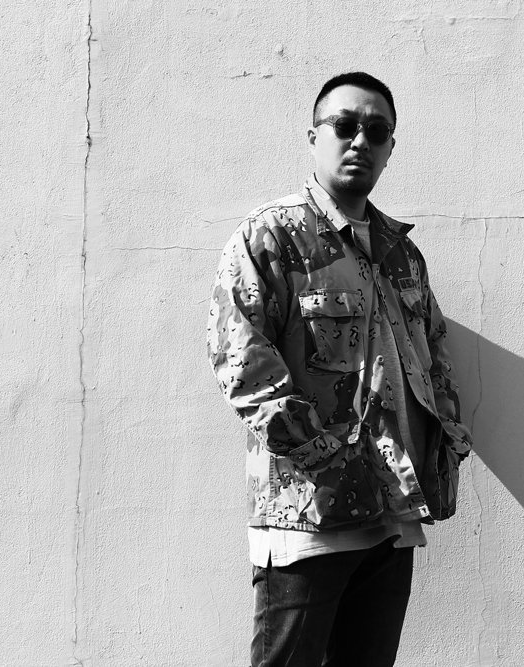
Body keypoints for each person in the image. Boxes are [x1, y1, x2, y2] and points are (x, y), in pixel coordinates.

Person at [206, 71, 473, 667]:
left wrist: (447, 442)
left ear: (390, 148)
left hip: (393, 515)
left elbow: (434, 355)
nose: (360, 141)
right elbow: (239, 355)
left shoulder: (402, 254)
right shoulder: (273, 236)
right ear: (313, 137)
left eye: (376, 131)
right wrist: (322, 453)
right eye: (345, 126)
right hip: (309, 517)